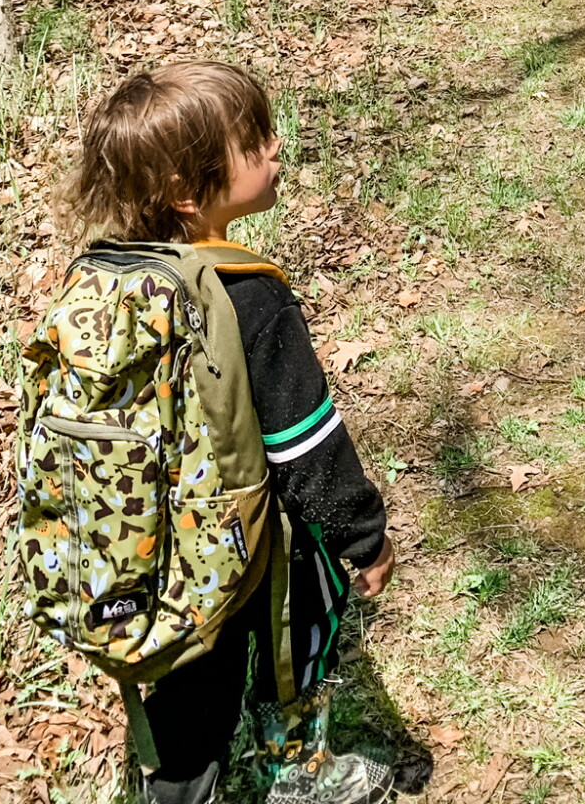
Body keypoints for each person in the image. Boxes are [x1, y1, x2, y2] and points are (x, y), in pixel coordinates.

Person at [63, 62, 395, 804]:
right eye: (256, 142)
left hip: (151, 545)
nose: (277, 148)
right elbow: (308, 451)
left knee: (188, 691)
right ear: (189, 192)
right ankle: (299, 773)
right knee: (300, 626)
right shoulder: (248, 297)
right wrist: (363, 539)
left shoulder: (108, 278)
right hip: (247, 543)